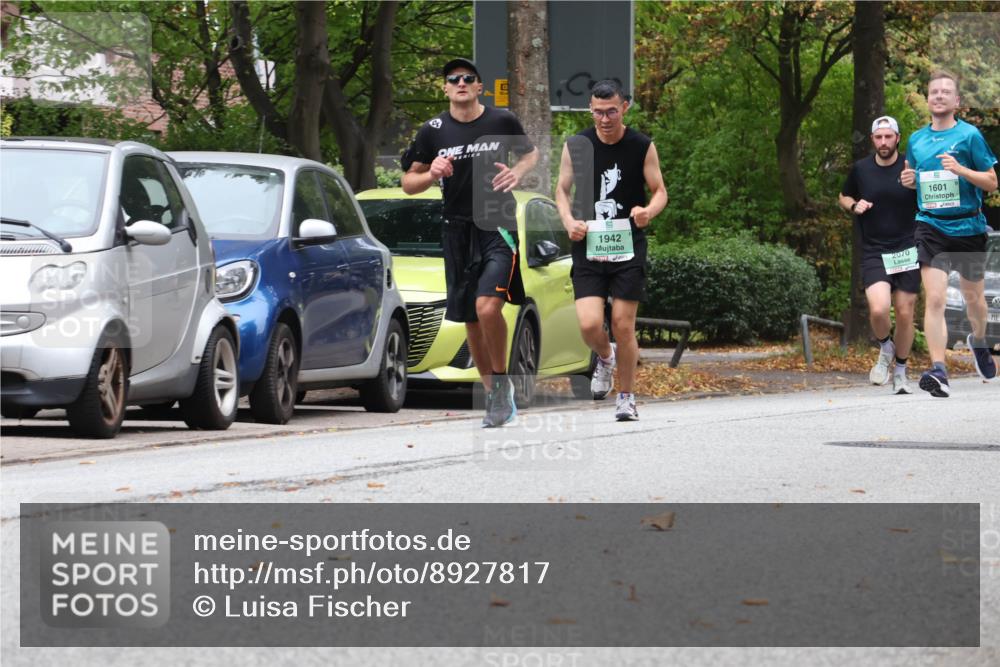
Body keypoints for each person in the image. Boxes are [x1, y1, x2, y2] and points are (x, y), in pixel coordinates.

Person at [401, 58, 538, 426]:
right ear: (445, 88)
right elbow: (407, 182)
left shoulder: (501, 121)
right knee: (471, 321)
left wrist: (518, 172)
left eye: (468, 79)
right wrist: (431, 173)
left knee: (488, 307)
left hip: (497, 226)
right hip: (456, 230)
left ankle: (502, 383)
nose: (461, 83)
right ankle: (495, 393)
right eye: (453, 79)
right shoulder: (432, 131)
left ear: (479, 87)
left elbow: (531, 153)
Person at [554, 79, 668, 421]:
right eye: (598, 112)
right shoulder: (576, 145)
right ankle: (605, 357)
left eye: (611, 111)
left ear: (625, 108)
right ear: (590, 109)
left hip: (627, 246)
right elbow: (561, 189)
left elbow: (660, 191)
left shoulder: (641, 145)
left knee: (622, 323)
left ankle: (627, 397)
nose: (604, 119)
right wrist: (567, 219)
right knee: (589, 326)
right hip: (588, 243)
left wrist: (648, 211)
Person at [900, 70, 998, 396]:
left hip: (968, 226)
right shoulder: (916, 140)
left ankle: (979, 340)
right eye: (934, 92)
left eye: (946, 92)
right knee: (937, 298)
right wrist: (909, 181)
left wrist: (960, 170)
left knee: (974, 302)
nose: (939, 96)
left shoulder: (970, 136)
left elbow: (991, 181)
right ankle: (939, 369)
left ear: (956, 101)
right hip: (930, 226)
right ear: (927, 99)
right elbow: (912, 175)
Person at [839, 115, 920, 394]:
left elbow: (931, 196)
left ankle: (900, 372)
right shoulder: (861, 169)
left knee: (906, 313)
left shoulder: (911, 165)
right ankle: (886, 346)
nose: (883, 142)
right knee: (878, 308)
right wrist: (853, 206)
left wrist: (917, 183)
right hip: (875, 249)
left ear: (897, 137)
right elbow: (843, 196)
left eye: (888, 136)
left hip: (907, 248)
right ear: (873, 140)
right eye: (878, 137)